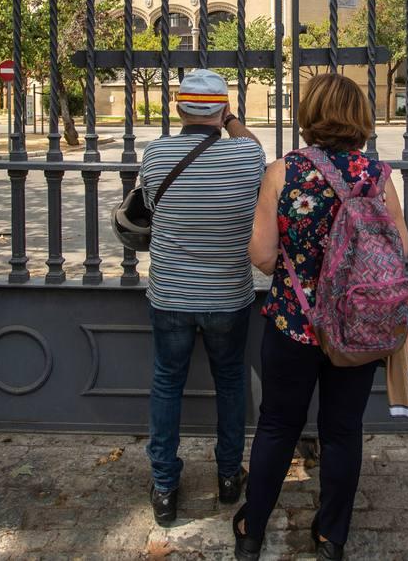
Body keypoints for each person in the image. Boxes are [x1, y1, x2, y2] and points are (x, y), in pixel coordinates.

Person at [234, 73, 408, 561]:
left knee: (276, 426)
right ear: (360, 118)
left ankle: (252, 530)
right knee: (342, 430)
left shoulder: (282, 172)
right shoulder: (376, 176)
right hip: (357, 328)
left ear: (310, 114)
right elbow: (402, 248)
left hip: (295, 323)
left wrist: (300, 272)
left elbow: (262, 253)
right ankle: (332, 537)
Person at [140, 69, 264, 526]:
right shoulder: (246, 155)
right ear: (222, 109)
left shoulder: (156, 155)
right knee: (230, 382)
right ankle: (229, 476)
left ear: (178, 107)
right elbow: (256, 151)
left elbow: (150, 209)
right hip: (228, 296)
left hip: (170, 293)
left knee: (166, 382)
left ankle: (166, 486)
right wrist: (231, 121)